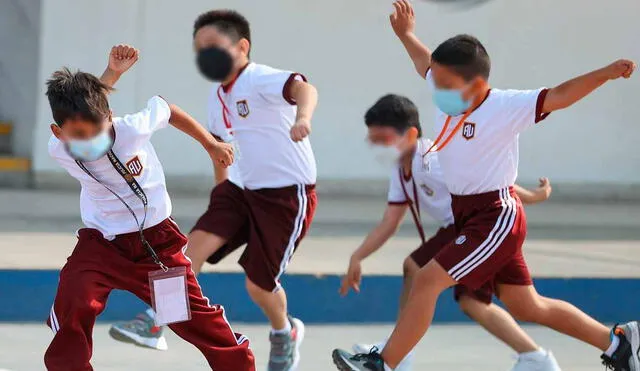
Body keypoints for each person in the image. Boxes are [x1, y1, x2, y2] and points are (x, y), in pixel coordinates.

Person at [331, 1, 637, 370]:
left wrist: (604, 73)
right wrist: (407, 34)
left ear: (475, 84)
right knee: (527, 304)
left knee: (427, 278)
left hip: (495, 216)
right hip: (468, 214)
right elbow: (423, 61)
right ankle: (619, 342)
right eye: (436, 80)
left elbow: (560, 94)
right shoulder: (445, 89)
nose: (436, 87)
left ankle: (382, 364)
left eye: (446, 84)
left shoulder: (505, 107)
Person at [109, 10, 319, 371]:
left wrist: (303, 118)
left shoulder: (260, 78)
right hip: (240, 189)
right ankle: (155, 321)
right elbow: (220, 148)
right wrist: (221, 194)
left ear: (241, 46)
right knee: (189, 249)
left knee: (258, 285)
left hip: (287, 195)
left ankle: (285, 333)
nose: (205, 54)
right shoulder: (216, 96)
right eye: (199, 49)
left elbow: (304, 88)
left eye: (212, 46)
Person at [43, 48, 255, 370]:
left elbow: (166, 109)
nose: (92, 142)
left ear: (109, 116)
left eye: (98, 131)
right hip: (101, 245)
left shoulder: (132, 128)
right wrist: (110, 75)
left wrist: (210, 145)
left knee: (189, 320)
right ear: (58, 133)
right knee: (76, 300)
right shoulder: (58, 150)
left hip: (156, 246)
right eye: (79, 137)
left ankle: (237, 364)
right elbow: (83, 104)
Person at [340, 94, 558, 371]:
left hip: (478, 227)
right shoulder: (401, 170)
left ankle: (397, 355)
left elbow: (490, 182)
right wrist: (357, 257)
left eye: (382, 139)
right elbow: (390, 221)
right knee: (469, 300)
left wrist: (535, 196)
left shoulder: (433, 159)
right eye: (373, 140)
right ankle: (535, 358)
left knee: (430, 276)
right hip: (459, 229)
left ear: (410, 134)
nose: (377, 147)